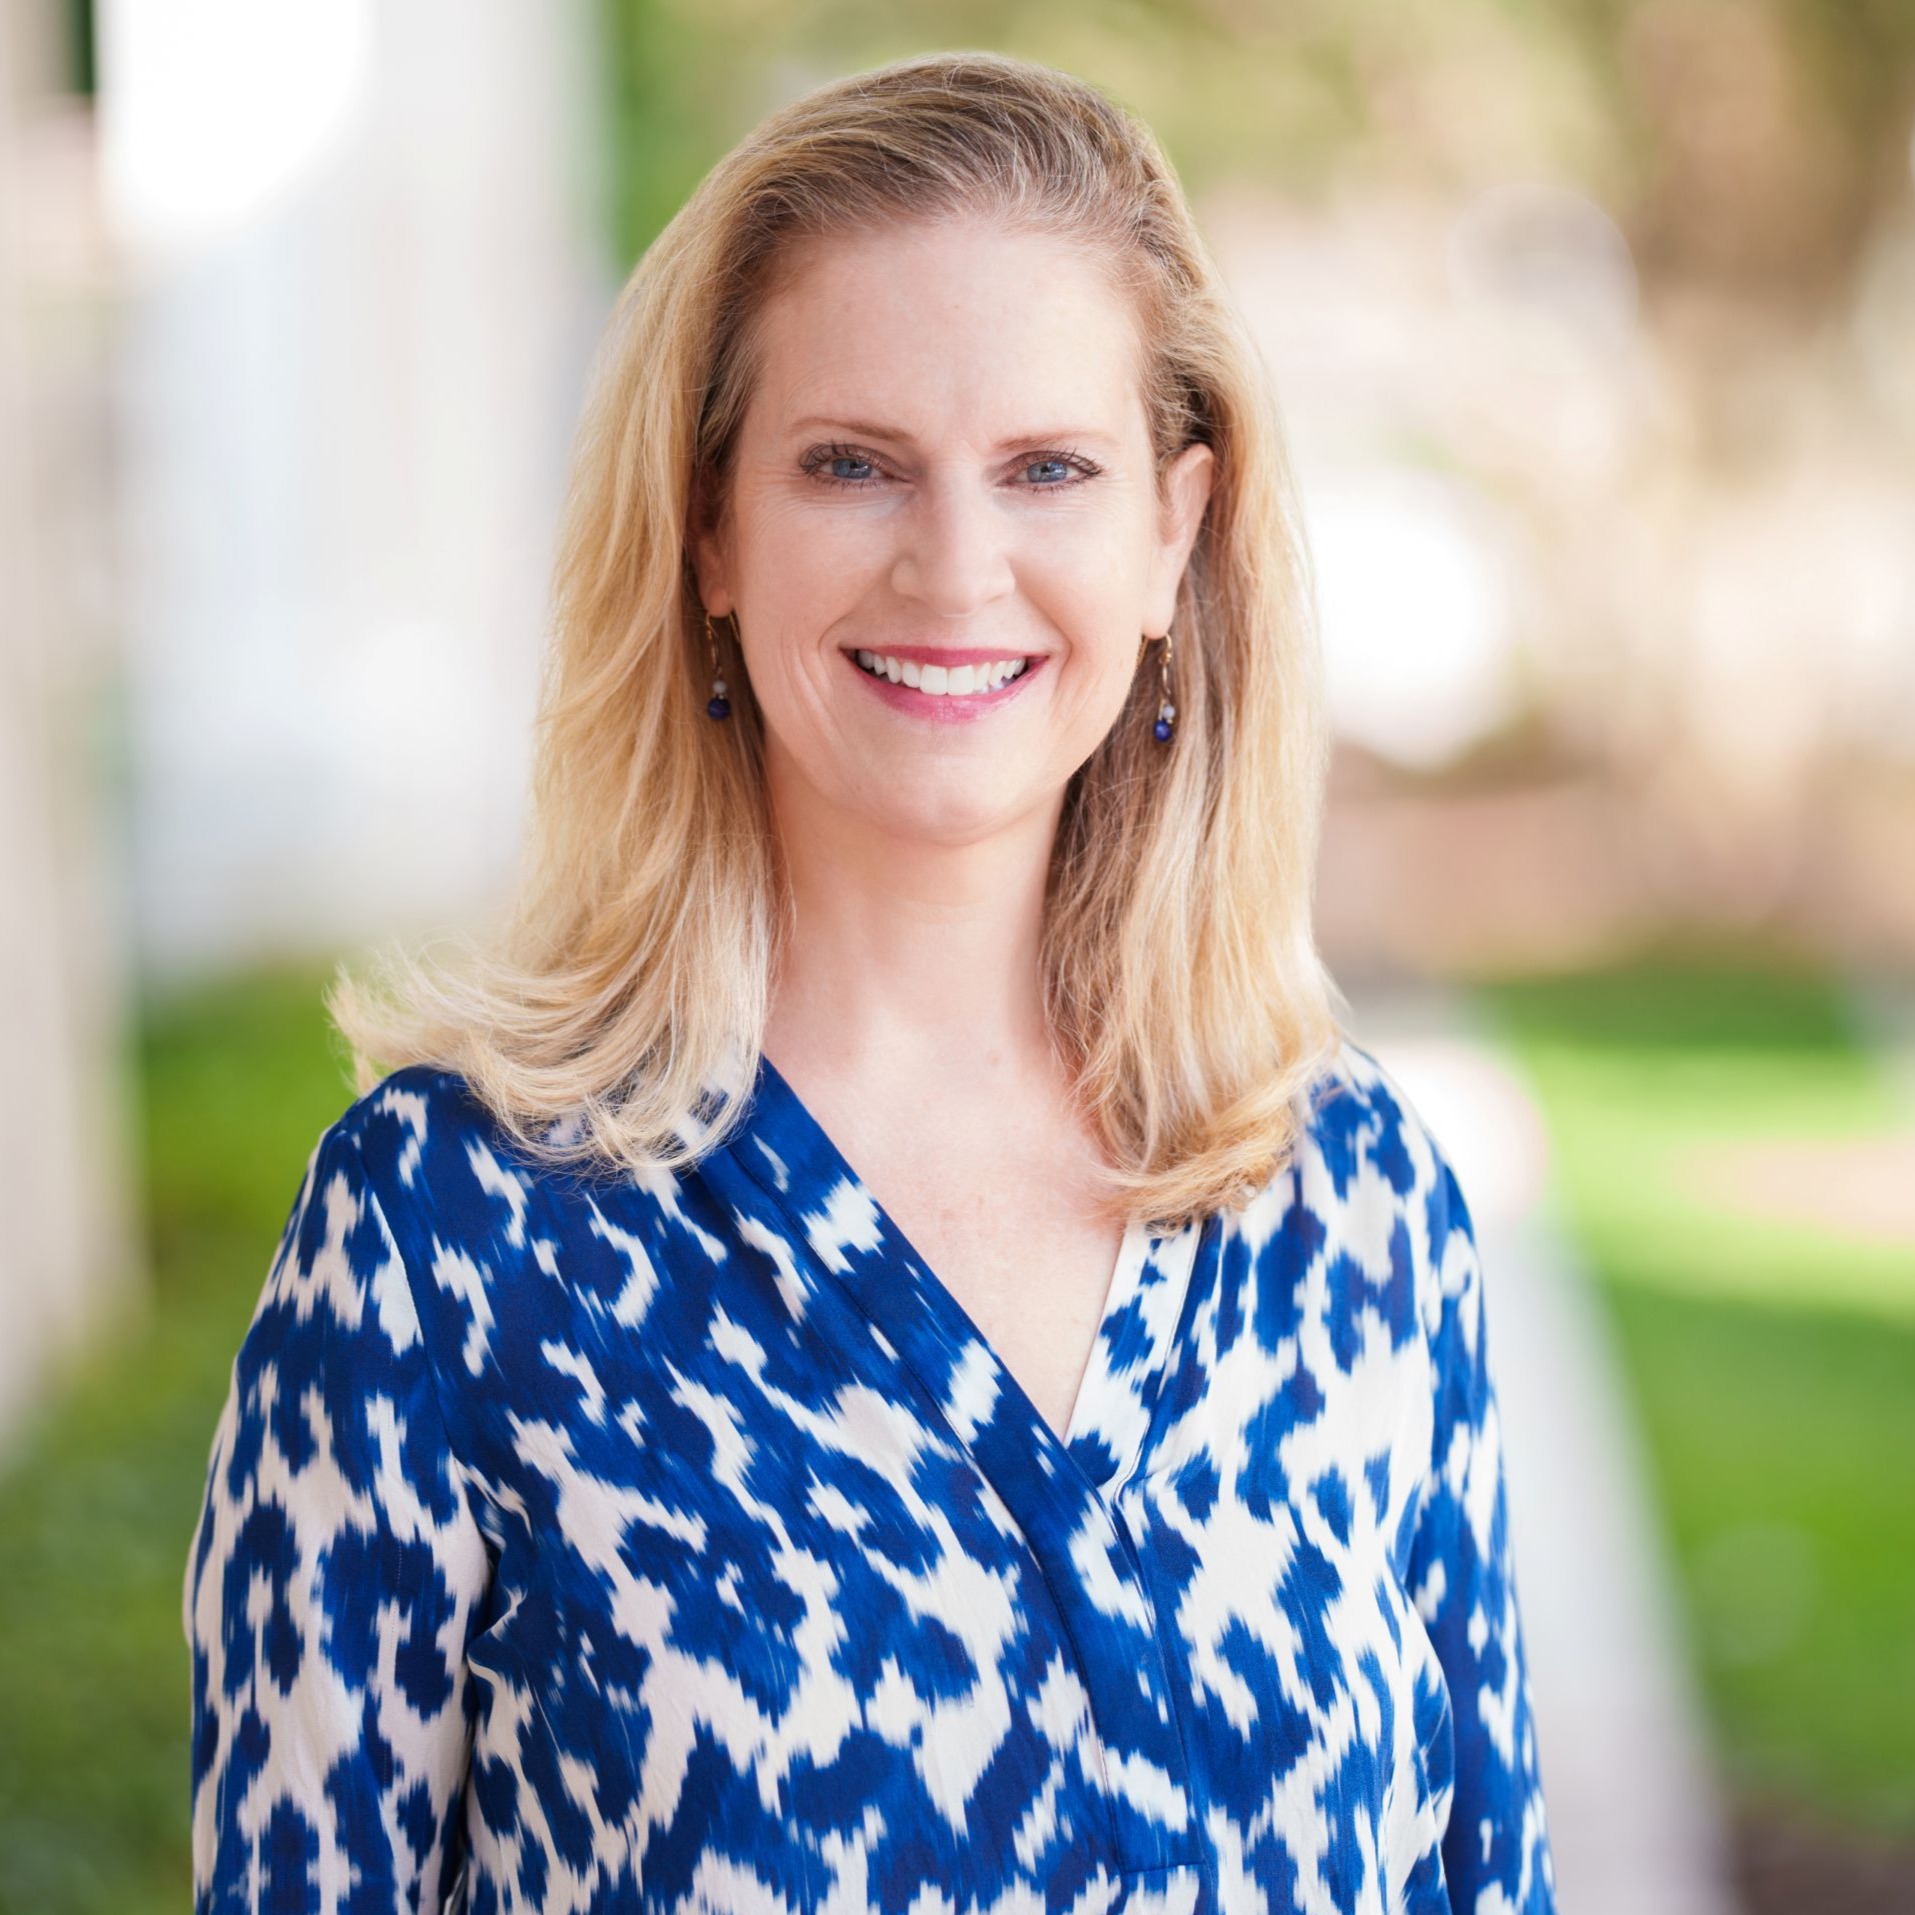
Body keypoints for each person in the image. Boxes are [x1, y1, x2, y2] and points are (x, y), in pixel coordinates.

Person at [181, 49, 1557, 1915]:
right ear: (710, 528)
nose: (957, 567)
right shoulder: (450, 1240)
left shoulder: (1356, 1208)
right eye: (852, 465)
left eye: (1049, 470)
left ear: (1174, 532)